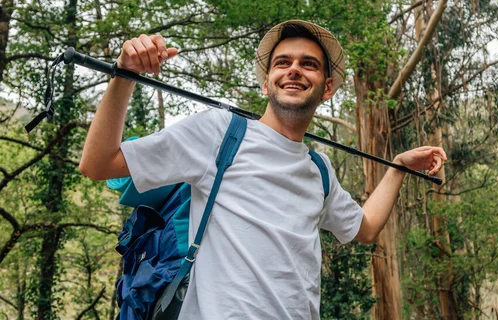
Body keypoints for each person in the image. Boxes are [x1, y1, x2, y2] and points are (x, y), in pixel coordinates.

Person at [79, 20, 447, 319]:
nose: (294, 71)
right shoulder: (219, 133)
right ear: (266, 80)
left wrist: (398, 166)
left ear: (328, 87)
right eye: (282, 62)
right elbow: (97, 163)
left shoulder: (319, 169)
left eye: (309, 64)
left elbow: (364, 229)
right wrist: (125, 74)